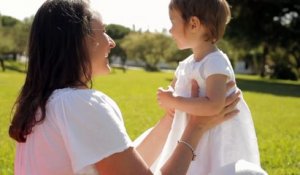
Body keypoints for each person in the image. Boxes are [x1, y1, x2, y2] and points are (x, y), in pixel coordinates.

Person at [8, 0, 240, 174]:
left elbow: (124, 162)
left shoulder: (42, 105)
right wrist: (196, 128)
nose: (112, 41)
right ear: (79, 40)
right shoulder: (79, 105)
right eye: (104, 31)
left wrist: (171, 119)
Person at [156, 0, 261, 174]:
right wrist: (169, 99)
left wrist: (174, 100)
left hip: (215, 137)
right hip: (190, 134)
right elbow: (175, 94)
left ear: (194, 24)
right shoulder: (186, 65)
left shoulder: (215, 62)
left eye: (173, 22)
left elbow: (214, 104)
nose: (170, 30)